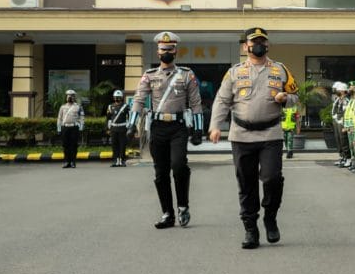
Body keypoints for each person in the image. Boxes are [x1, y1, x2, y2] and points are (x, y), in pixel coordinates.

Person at [209, 27, 298, 249]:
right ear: (245, 46)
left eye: (262, 42)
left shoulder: (280, 69)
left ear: (267, 45)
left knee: (272, 178)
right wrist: (215, 126)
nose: (258, 45)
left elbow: (295, 96)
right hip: (241, 135)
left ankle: (270, 217)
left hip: (271, 134)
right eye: (254, 42)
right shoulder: (234, 72)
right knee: (246, 183)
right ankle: (250, 229)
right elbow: (222, 101)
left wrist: (286, 98)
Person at [128, 31, 203, 229]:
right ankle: (167, 213)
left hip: (178, 127)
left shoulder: (186, 74)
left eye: (170, 49)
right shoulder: (149, 75)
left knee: (179, 166)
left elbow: (196, 103)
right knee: (161, 173)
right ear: (158, 52)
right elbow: (138, 99)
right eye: (163, 50)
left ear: (175, 51)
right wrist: (132, 124)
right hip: (158, 128)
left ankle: (183, 206)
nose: (166, 53)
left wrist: (198, 130)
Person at [57, 89, 84, 168]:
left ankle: (73, 162)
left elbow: (82, 117)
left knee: (73, 145)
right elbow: (59, 118)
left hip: (74, 128)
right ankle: (66, 161)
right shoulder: (62, 107)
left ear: (74, 97)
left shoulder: (78, 107)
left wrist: (81, 127)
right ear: (66, 97)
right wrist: (59, 128)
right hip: (65, 127)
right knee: (65, 145)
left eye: (71, 96)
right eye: (68, 96)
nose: (69, 97)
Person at [106, 89, 129, 167]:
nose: (117, 98)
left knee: (122, 145)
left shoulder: (126, 106)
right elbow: (108, 118)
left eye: (119, 97)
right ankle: (115, 161)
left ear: (121, 97)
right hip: (114, 129)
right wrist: (108, 129)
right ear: (113, 97)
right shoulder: (110, 107)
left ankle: (122, 161)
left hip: (122, 128)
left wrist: (129, 127)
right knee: (114, 145)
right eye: (116, 97)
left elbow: (129, 118)